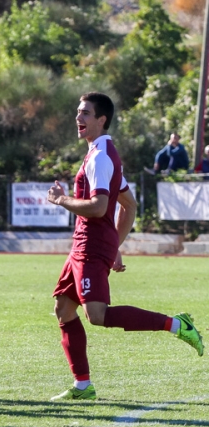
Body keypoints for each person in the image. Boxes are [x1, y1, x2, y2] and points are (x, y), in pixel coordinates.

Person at [46, 92, 203, 401]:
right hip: (86, 246)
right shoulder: (101, 152)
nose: (79, 118)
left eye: (86, 113)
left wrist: (62, 200)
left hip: (90, 246)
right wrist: (113, 245)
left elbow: (99, 206)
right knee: (63, 308)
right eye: (78, 112)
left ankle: (176, 325)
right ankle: (82, 386)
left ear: (101, 119)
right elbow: (128, 205)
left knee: (98, 315)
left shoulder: (101, 157)